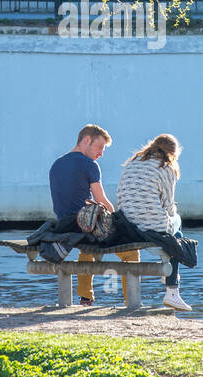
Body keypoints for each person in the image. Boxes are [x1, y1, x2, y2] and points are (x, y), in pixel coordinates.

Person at [47, 124, 140, 307]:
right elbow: (101, 200)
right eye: (100, 148)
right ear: (86, 140)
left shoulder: (56, 164)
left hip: (66, 227)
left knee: (87, 248)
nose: (101, 154)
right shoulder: (90, 165)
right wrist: (118, 220)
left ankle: (85, 299)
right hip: (86, 227)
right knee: (131, 252)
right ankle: (131, 301)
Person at [116, 133, 191, 311]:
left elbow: (120, 195)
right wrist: (171, 216)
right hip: (151, 227)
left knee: (173, 233)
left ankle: (169, 272)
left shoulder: (132, 163)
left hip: (126, 225)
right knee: (177, 230)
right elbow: (168, 205)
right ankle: (172, 290)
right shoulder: (165, 168)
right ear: (173, 153)